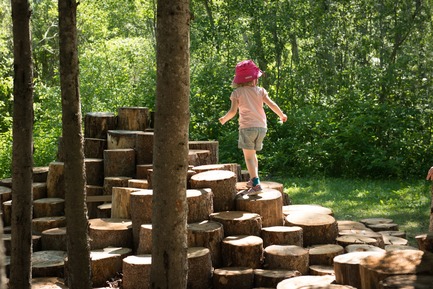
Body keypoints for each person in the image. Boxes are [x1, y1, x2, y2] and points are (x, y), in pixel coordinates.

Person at [219, 59, 287, 195]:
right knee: (253, 155)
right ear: (255, 78)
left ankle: (256, 184)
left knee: (248, 157)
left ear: (239, 80)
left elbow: (233, 112)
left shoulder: (237, 93)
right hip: (262, 128)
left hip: (247, 128)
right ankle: (253, 179)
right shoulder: (260, 91)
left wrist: (223, 119)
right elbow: (272, 104)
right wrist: (281, 114)